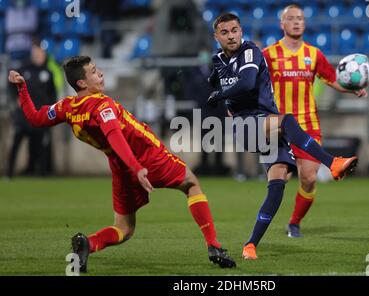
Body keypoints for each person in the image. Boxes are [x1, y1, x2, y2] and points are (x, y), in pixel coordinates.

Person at [8, 56, 236, 273]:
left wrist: (22, 89)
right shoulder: (101, 105)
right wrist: (138, 169)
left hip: (119, 166)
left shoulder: (68, 107)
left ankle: (89, 243)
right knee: (191, 184)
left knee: (124, 228)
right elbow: (116, 136)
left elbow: (36, 118)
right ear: (81, 82)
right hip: (146, 157)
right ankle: (214, 244)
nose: (101, 74)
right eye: (95, 72)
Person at [207, 13, 358, 260]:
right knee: (288, 121)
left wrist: (218, 95)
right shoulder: (218, 60)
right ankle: (333, 163)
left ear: (241, 30)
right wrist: (218, 93)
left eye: (234, 30)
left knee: (277, 185)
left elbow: (245, 83)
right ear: (216, 36)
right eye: (225, 32)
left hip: (266, 123)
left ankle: (250, 245)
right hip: (247, 124)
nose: (231, 36)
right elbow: (215, 81)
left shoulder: (250, 52)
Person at [263, 4, 368, 238]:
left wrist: (353, 89)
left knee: (309, 178)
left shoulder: (314, 54)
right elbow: (255, 83)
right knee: (278, 180)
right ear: (282, 24)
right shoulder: (268, 55)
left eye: (300, 18)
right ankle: (258, 233)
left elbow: (332, 80)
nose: (296, 22)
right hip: (279, 126)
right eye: (291, 18)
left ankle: (294, 223)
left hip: (307, 123)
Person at [7, 42, 57, 178]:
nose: (39, 56)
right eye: (37, 54)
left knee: (40, 146)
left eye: (41, 54)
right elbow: (11, 86)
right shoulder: (23, 69)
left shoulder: (48, 72)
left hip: (40, 115)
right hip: (23, 116)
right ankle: (9, 173)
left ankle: (41, 173)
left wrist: (51, 111)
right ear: (32, 55)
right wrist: (15, 98)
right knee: (16, 143)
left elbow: (53, 94)